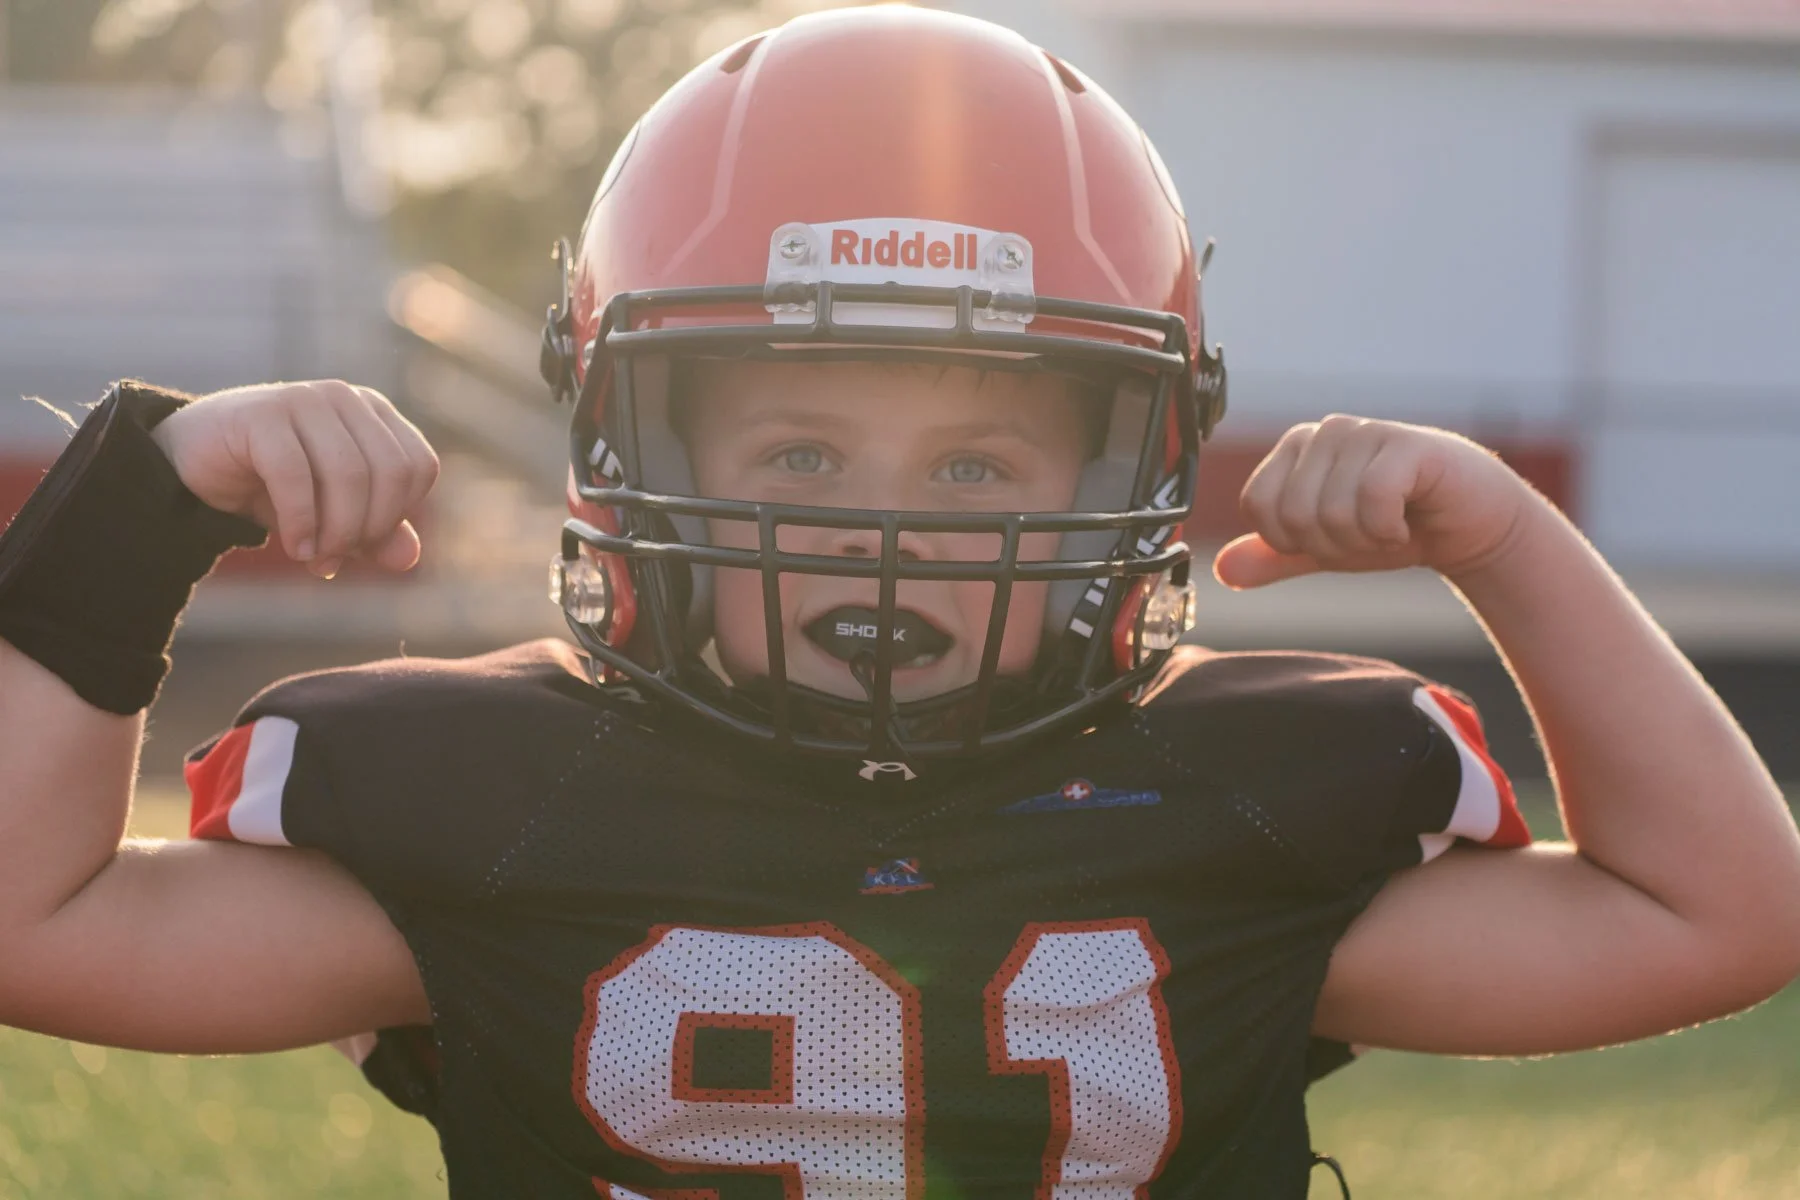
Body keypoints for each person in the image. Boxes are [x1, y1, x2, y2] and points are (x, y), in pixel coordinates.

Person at [2, 8, 1797, 1198]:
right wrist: (138, 505)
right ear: (622, 440)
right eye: (795, 452)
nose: (880, 531)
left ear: (1126, 472)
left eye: (973, 471)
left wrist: (1507, 540)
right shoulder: (496, 792)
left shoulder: (1251, 806)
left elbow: (1718, 916)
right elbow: (39, 928)